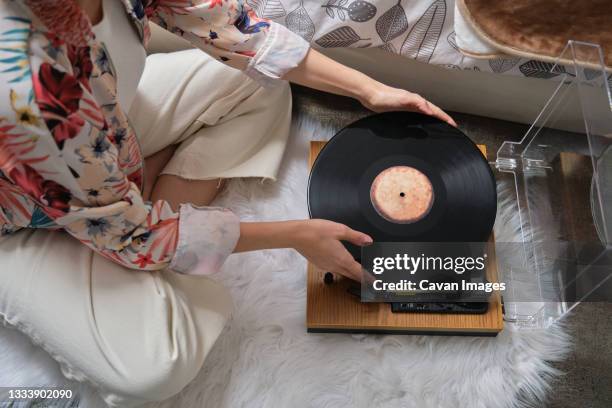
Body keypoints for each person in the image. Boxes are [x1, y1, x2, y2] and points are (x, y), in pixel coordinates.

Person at [0, 0, 456, 405]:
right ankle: (151, 229)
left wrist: (368, 89)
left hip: (106, 135)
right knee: (157, 369)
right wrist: (295, 235)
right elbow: (127, 236)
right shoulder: (24, 81)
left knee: (263, 81)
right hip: (25, 212)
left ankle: (156, 212)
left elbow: (230, 24)